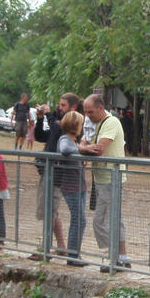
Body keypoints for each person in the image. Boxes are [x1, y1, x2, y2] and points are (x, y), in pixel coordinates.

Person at [81, 94, 131, 272]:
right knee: (113, 217)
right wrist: (84, 147)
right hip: (103, 178)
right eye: (86, 112)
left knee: (102, 220)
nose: (88, 116)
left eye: (91, 112)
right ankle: (120, 257)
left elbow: (98, 149)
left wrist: (83, 148)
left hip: (111, 177)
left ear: (101, 108)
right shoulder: (99, 124)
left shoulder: (111, 122)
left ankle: (115, 257)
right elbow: (86, 142)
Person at [32, 93, 80, 259]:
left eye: (63, 105)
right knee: (52, 212)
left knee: (49, 211)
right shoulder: (57, 125)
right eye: (59, 105)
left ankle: (45, 249)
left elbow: (55, 126)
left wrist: (48, 113)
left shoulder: (67, 127)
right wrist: (40, 119)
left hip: (57, 175)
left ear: (73, 108)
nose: (60, 108)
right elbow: (41, 135)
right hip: (48, 172)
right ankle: (60, 246)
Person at [56, 110, 88, 266]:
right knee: (79, 219)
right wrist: (81, 151)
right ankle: (72, 255)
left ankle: (75, 254)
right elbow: (64, 150)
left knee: (81, 220)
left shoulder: (74, 141)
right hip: (71, 186)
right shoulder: (65, 140)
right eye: (81, 124)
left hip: (80, 185)